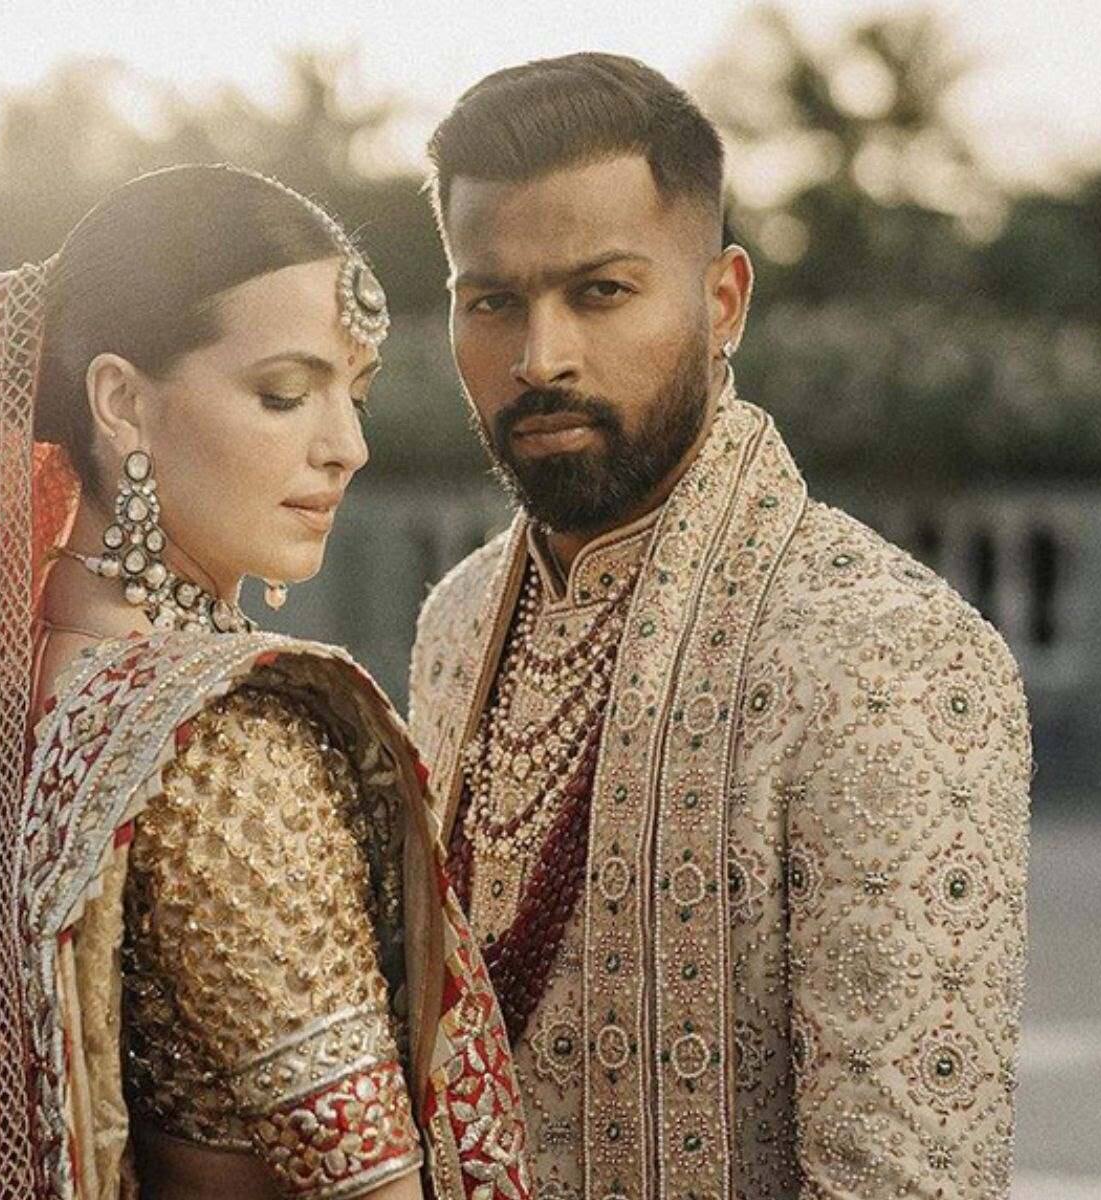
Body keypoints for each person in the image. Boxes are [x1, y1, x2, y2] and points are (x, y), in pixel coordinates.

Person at [0, 165, 530, 1200]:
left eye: (354, 394)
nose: (348, 446)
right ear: (120, 400)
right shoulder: (228, 748)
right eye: (285, 393)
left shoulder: (32, 667)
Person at [407, 55, 1033, 1199]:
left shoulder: (886, 657)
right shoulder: (455, 624)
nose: (538, 358)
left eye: (600, 291)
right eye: (491, 300)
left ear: (723, 300)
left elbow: (907, 1178)